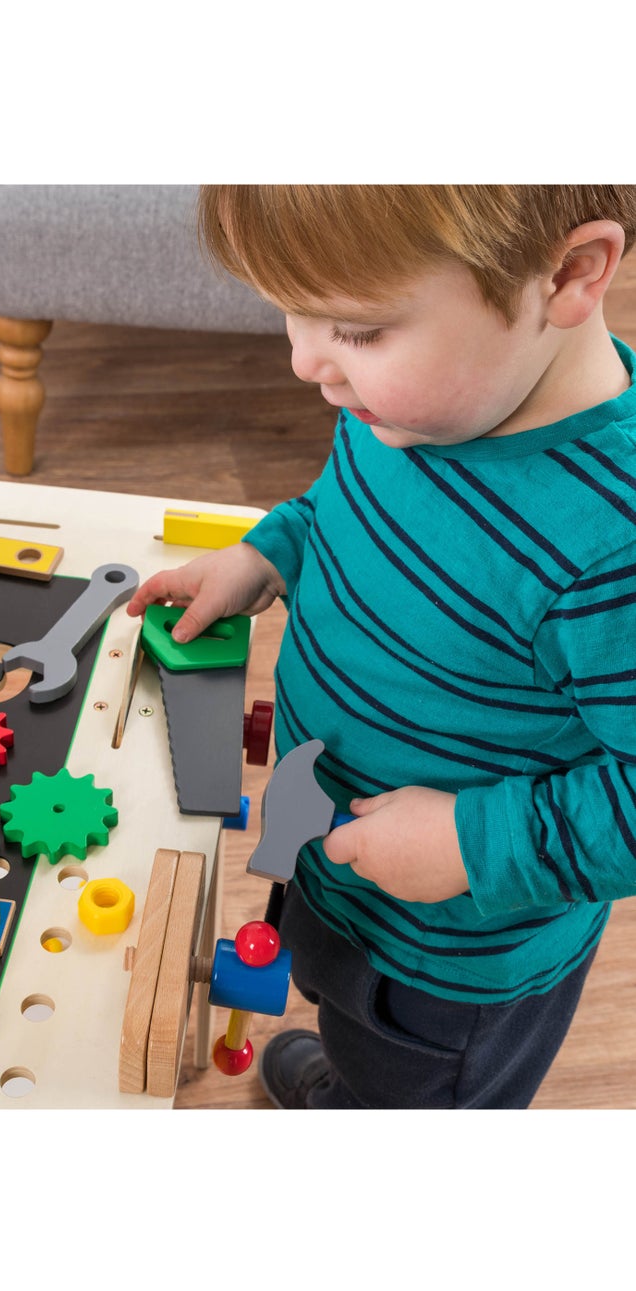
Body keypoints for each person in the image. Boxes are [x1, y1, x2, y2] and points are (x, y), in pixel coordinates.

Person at [127, 185, 636, 1109]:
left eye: (356, 331)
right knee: (340, 1011)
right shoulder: (411, 408)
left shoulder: (613, 549)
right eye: (293, 310)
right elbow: (344, 508)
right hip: (337, 863)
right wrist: (269, 552)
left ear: (569, 274)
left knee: (408, 1094)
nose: (304, 359)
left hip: (453, 967)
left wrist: (471, 843)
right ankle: (346, 1075)